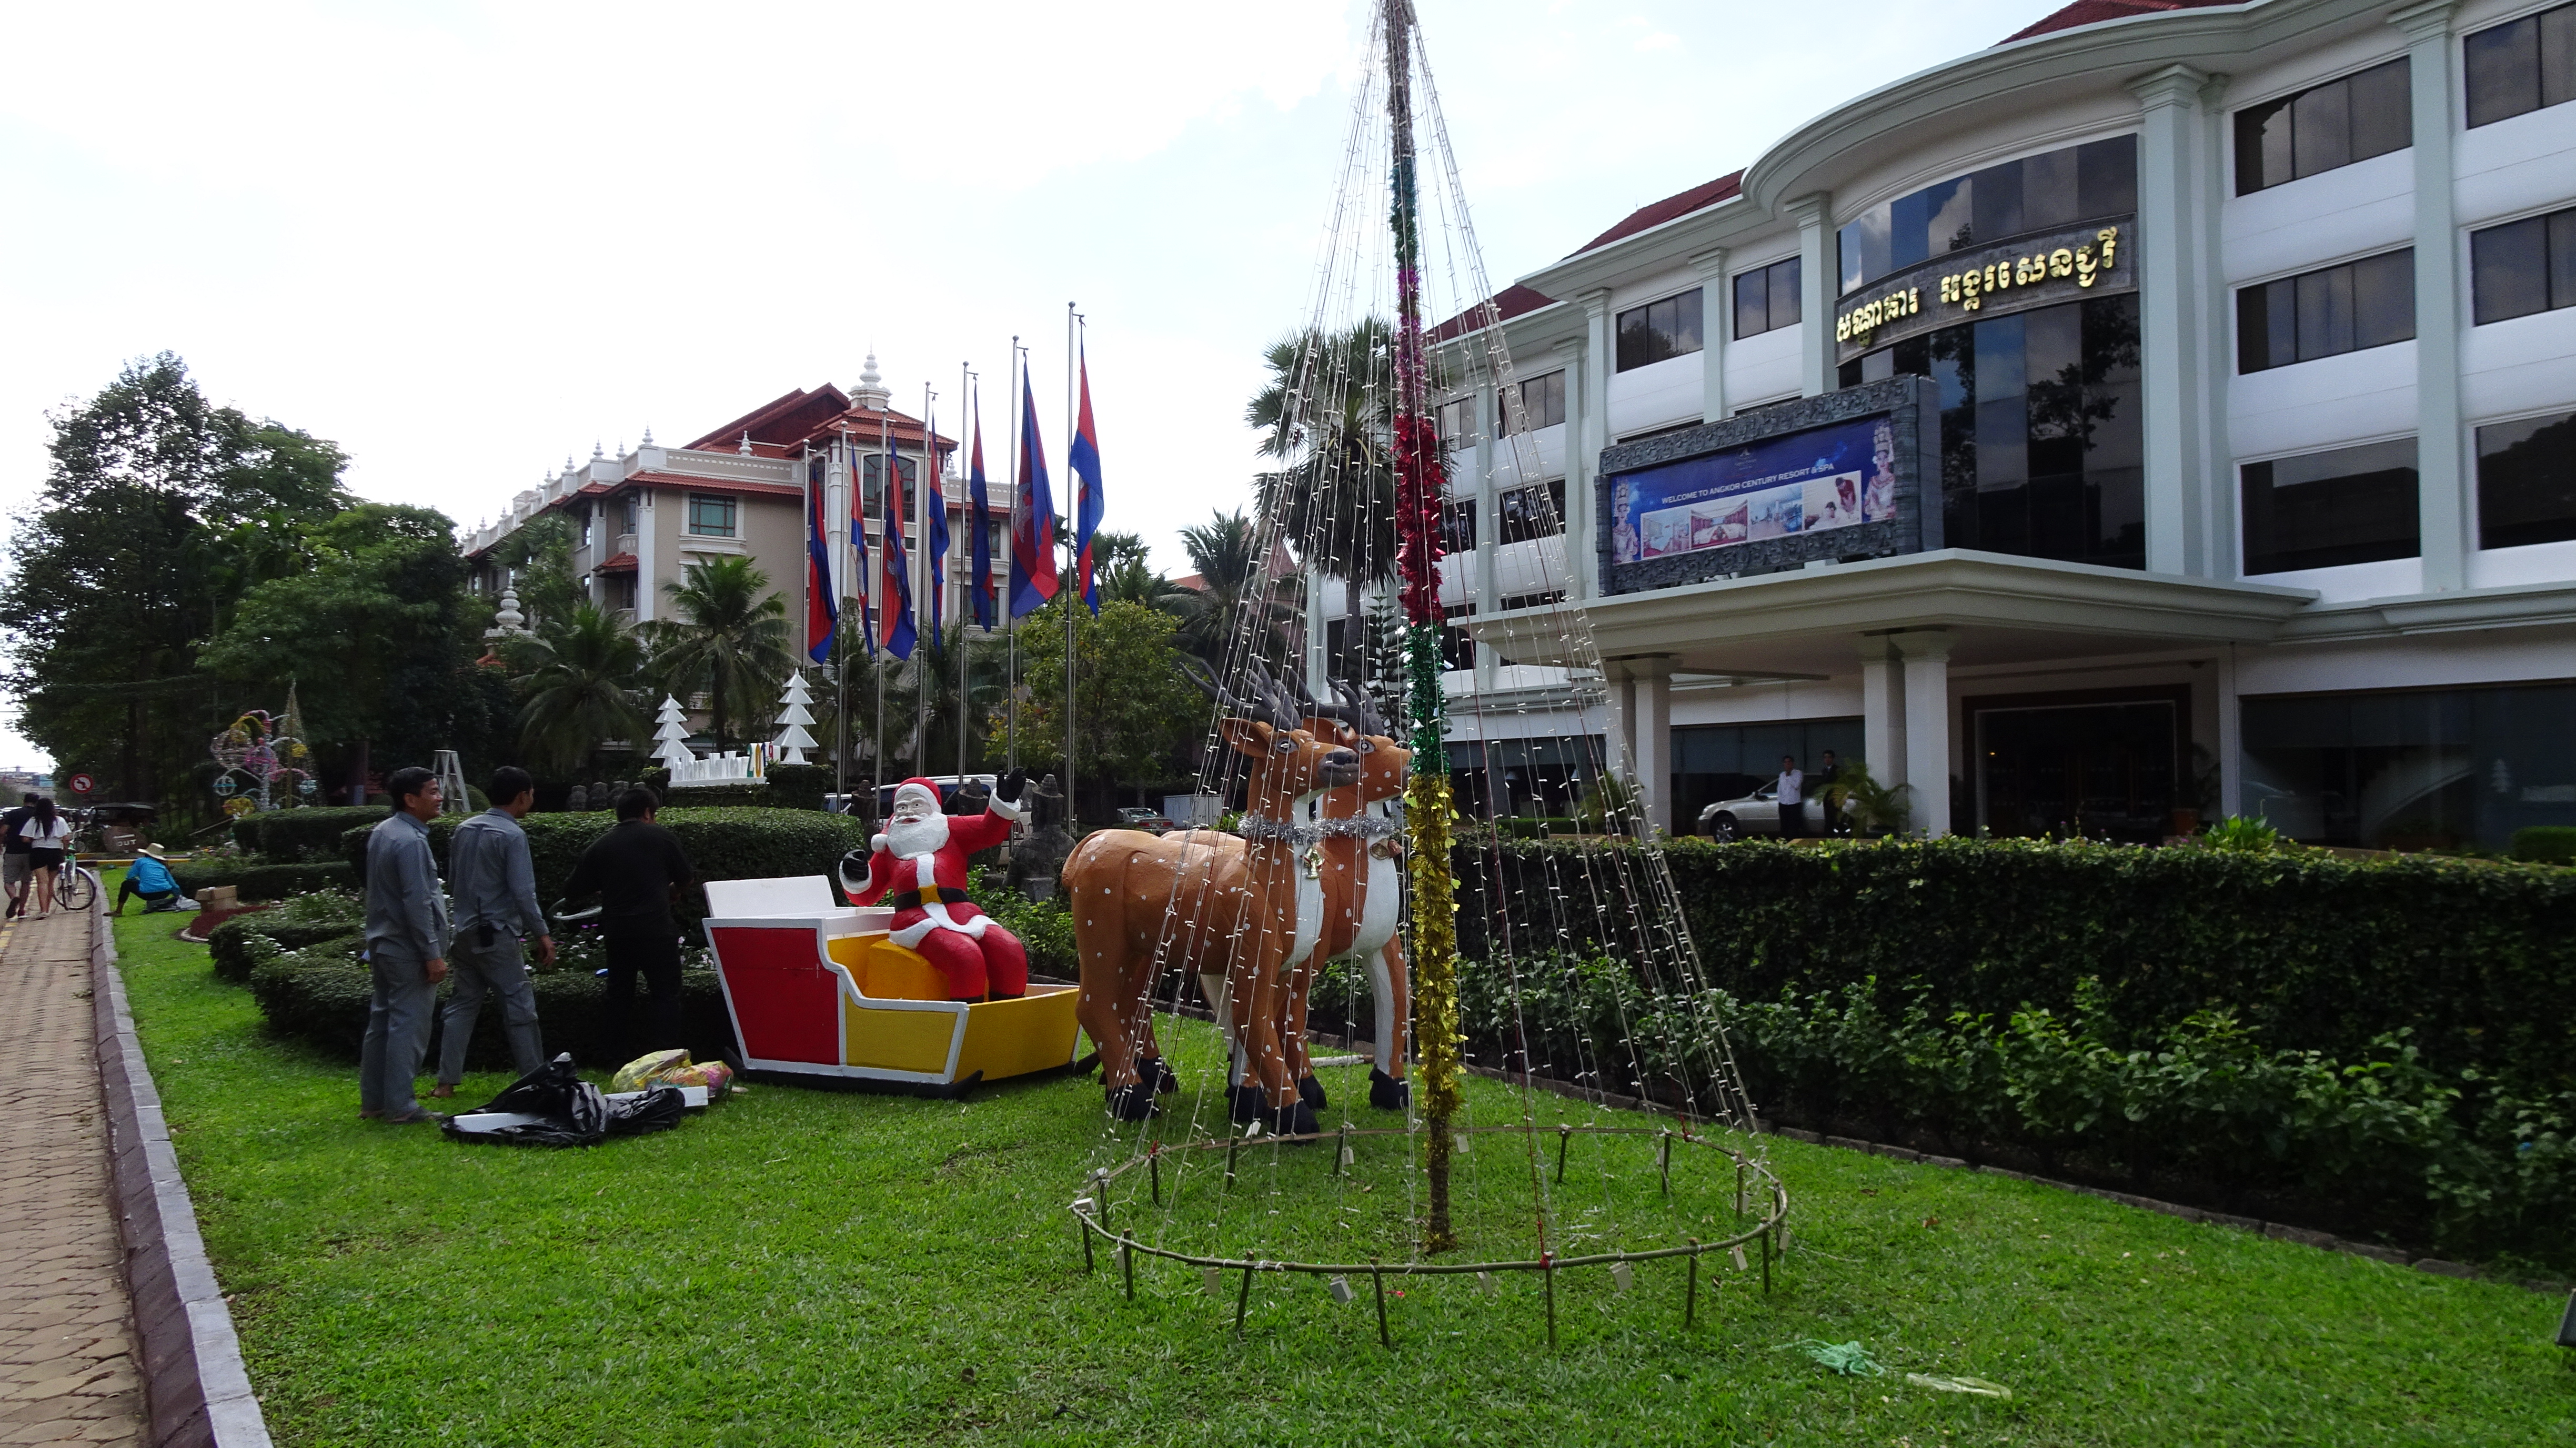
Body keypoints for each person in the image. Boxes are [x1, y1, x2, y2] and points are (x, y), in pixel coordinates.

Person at [841, 773, 1031, 1001]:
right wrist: (855, 874)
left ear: (932, 807)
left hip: (962, 912)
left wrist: (1004, 800)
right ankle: (969, 1018)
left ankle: (1009, 1014)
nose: (908, 812)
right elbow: (866, 895)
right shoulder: (890, 845)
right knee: (965, 957)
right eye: (901, 807)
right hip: (914, 919)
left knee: (1009, 950)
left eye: (916, 805)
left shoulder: (949, 830)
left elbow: (988, 830)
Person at [431, 767, 555, 1098]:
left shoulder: (464, 829)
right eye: (531, 794)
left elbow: (453, 881)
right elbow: (523, 893)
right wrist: (542, 934)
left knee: (462, 1005)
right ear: (522, 796)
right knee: (520, 1006)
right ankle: (534, 1079)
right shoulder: (512, 835)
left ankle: (446, 1082)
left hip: (464, 931)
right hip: (497, 933)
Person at [562, 786, 696, 1061]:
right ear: (647, 813)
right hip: (656, 930)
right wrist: (673, 891)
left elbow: (573, 890)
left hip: (618, 932)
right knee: (666, 995)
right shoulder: (662, 837)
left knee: (619, 995)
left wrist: (605, 888)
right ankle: (665, 1058)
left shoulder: (602, 845)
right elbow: (686, 877)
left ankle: (615, 1058)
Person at [360, 767, 451, 1125]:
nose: (440, 798)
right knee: (408, 1027)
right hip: (408, 949)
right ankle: (401, 1106)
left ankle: (375, 1102)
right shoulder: (411, 841)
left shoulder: (384, 831)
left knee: (382, 1022)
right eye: (433, 792)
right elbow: (418, 902)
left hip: (384, 943)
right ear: (411, 800)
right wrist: (432, 954)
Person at [20, 798, 73, 915]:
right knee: (50, 883)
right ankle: (47, 909)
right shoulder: (60, 821)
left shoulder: (33, 821)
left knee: (42, 882)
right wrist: (64, 852)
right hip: (55, 852)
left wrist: (36, 840)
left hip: (38, 852)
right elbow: (66, 839)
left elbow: (25, 839)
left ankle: (43, 910)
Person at [114, 843, 185, 914]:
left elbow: (130, 877)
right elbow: (173, 885)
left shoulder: (141, 861)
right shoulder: (162, 866)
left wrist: (140, 881)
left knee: (126, 884)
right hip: (165, 892)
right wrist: (180, 898)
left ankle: (118, 911)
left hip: (148, 894)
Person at [1, 796, 36, 919]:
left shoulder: (13, 814)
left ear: (24, 801)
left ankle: (13, 897)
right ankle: (22, 910)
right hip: (31, 852)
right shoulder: (36, 815)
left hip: (12, 851)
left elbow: (2, 831)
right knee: (26, 882)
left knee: (9, 881)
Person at [1775, 754, 1806, 840]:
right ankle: (1784, 842)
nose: (1787, 764)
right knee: (1784, 825)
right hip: (1784, 803)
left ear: (1793, 763)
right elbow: (1779, 789)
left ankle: (1794, 841)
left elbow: (1796, 785)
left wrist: (1789, 776)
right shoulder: (1782, 775)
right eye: (1785, 762)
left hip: (1794, 803)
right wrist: (1780, 800)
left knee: (1794, 825)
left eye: (1789, 762)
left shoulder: (1798, 773)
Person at [1816, 749, 1844, 837]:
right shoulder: (1824, 771)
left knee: (1837, 821)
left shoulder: (1838, 770)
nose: (1827, 760)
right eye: (1825, 758)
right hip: (1827, 800)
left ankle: (1840, 837)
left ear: (1833, 759)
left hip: (1835, 799)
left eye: (1829, 757)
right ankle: (1829, 837)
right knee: (1828, 821)